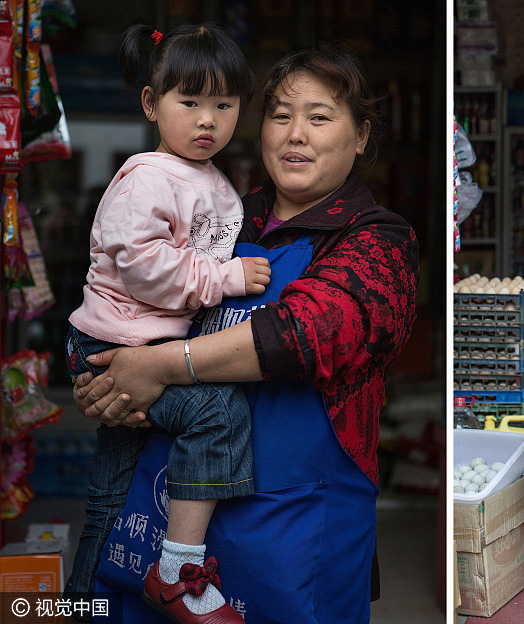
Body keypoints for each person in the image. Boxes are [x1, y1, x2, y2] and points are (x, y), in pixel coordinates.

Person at [70, 47, 418, 624]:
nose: (294, 134)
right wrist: (107, 383)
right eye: (280, 115)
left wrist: (156, 368)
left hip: (292, 534)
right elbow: (135, 300)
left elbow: (301, 334)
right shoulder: (223, 215)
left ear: (361, 137)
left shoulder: (378, 241)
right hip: (167, 517)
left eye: (320, 116)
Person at [64, 23, 265, 624]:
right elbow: (147, 266)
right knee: (216, 410)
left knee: (111, 494)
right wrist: (225, 279)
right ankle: (178, 568)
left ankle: (81, 608)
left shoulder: (215, 181)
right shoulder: (148, 176)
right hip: (113, 345)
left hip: (149, 346)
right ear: (152, 104)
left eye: (224, 105)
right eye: (190, 102)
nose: (207, 120)